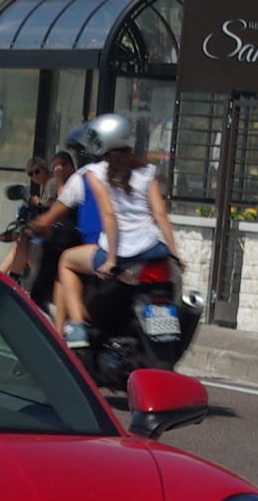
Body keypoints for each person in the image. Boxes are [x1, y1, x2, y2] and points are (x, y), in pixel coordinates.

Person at [42, 115, 177, 347]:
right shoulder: (147, 171)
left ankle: (78, 327)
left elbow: (109, 216)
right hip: (152, 251)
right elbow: (160, 215)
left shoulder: (95, 172)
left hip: (121, 254)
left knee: (66, 261)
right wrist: (175, 253)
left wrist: (111, 259)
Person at [0, 157, 52, 282]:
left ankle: (4, 278)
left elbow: (52, 206)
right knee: (20, 241)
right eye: (31, 174)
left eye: (37, 171)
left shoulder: (51, 183)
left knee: (22, 239)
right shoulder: (45, 187)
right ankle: (4, 277)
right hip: (44, 229)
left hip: (50, 230)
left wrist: (39, 206)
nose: (35, 176)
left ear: (45, 169)